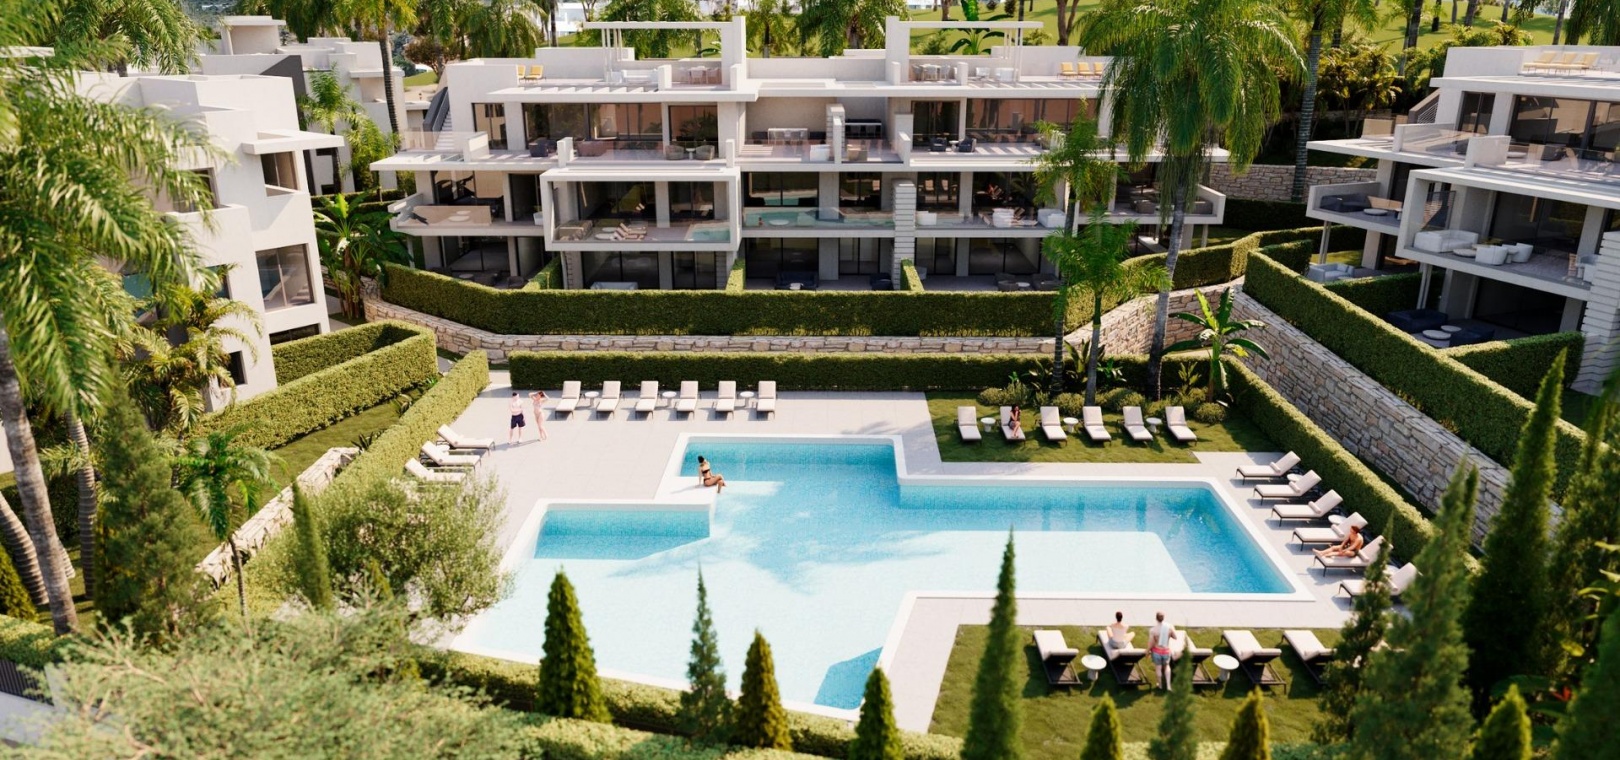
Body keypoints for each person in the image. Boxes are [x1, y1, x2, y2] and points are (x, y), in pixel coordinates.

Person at [1147, 612, 1178, 689]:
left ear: (1156, 618)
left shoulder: (1153, 630)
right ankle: (1168, 686)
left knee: (1158, 668)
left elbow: (1151, 643)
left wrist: (1148, 650)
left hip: (1157, 651)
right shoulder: (1169, 627)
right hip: (1166, 651)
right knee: (1167, 666)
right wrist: (1170, 632)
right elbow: (1175, 637)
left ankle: (1160, 685)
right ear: (1163, 618)